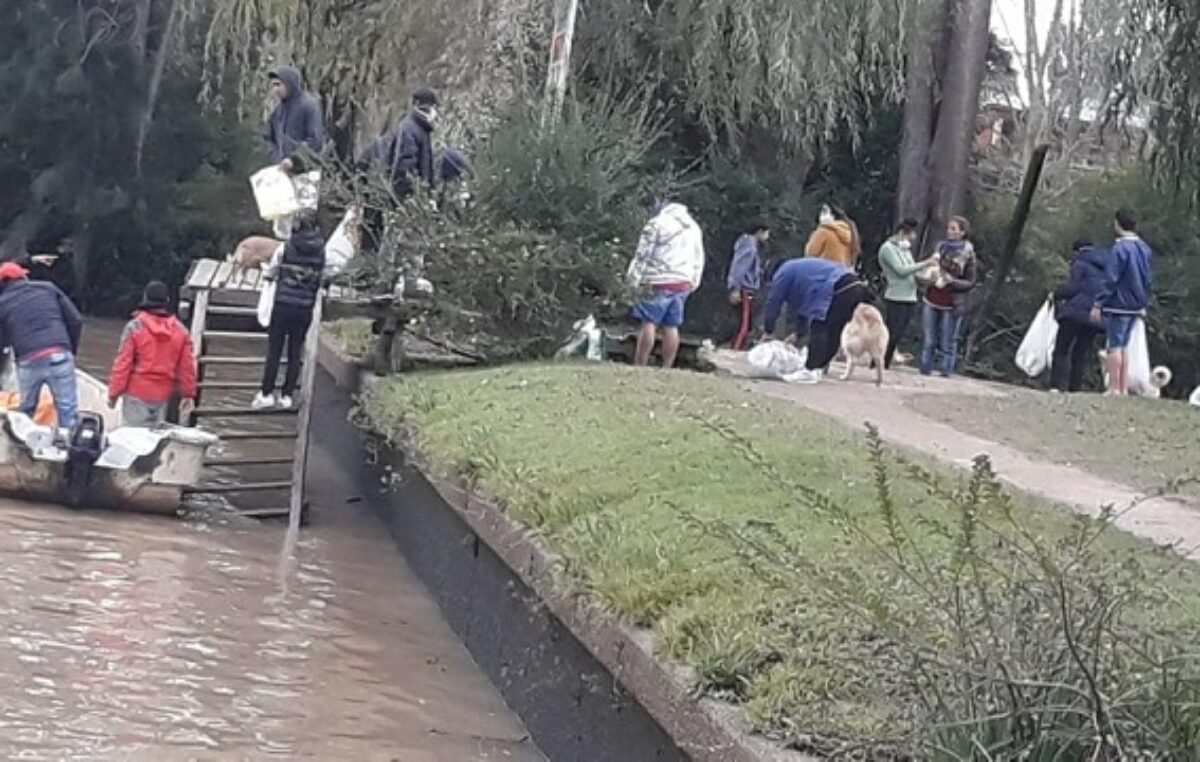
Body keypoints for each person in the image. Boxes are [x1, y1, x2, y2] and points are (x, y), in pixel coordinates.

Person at [253, 212, 326, 410]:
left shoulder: (285, 247)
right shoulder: (322, 251)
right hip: (305, 308)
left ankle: (267, 394)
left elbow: (272, 272)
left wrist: (268, 272)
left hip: (283, 304)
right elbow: (323, 276)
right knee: (295, 351)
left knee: (274, 350)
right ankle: (287, 396)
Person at [0, 261, 83, 429]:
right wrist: (70, 350)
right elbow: (76, 320)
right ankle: (69, 446)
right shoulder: (48, 288)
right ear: (23, 276)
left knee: (25, 411)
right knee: (68, 410)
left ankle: (22, 445)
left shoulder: (2, 303)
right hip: (60, 354)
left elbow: (2, 343)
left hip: (29, 360)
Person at [762, 257, 867, 384]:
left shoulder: (783, 272)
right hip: (855, 285)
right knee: (835, 329)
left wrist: (768, 330)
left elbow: (774, 301)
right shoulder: (799, 268)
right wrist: (798, 333)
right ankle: (819, 368)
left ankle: (810, 369)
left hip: (837, 287)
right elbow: (801, 309)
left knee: (820, 326)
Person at [106, 282, 198, 427]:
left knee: (133, 438)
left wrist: (113, 393)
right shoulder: (181, 331)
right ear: (166, 301)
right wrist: (188, 394)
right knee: (154, 438)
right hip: (162, 395)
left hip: (136, 393)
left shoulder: (135, 327)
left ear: (145, 298)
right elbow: (187, 368)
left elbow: (123, 364)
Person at [627, 201, 706, 368]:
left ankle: (640, 364)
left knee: (649, 322)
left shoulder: (656, 224)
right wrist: (694, 281)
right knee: (671, 325)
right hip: (683, 282)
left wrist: (633, 278)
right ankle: (667, 366)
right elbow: (699, 257)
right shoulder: (693, 227)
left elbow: (643, 254)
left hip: (657, 280)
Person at [1090, 208, 1153, 396]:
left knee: (1114, 345)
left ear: (1117, 224)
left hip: (1119, 302)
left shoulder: (1120, 248)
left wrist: (1098, 302)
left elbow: (1111, 277)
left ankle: (1114, 387)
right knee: (1124, 346)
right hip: (1137, 302)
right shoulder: (1144, 248)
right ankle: (1123, 387)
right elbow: (1149, 278)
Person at [920, 216, 978, 377]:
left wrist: (952, 282)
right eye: (949, 228)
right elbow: (931, 265)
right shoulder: (940, 247)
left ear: (962, 232)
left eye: (954, 229)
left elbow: (971, 281)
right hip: (932, 297)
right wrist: (928, 275)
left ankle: (946, 370)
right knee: (929, 339)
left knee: (948, 341)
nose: (949, 232)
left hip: (952, 303)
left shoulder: (968, 253)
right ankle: (925, 368)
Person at [1049, 239, 1107, 393]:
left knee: (1061, 348)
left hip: (1074, 313)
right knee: (1080, 353)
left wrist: (1056, 294)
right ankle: (1075, 388)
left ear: (1077, 250)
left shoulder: (1080, 264)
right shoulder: (1105, 268)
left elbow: (1073, 288)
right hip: (1095, 316)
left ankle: (1055, 386)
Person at [877, 218, 933, 368]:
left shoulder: (905, 250)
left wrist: (928, 277)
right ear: (902, 233)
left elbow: (912, 271)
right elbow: (901, 271)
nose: (912, 240)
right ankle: (880, 361)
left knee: (899, 333)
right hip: (896, 296)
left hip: (910, 296)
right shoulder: (887, 249)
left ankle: (886, 361)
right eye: (910, 235)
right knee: (891, 332)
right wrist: (925, 263)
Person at [264, 66, 325, 166]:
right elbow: (268, 138)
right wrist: (276, 159)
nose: (275, 90)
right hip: (282, 171)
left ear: (289, 83)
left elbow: (315, 141)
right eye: (273, 86)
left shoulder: (309, 105)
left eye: (278, 85)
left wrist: (294, 160)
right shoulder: (278, 111)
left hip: (307, 171)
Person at [725, 222, 770, 350]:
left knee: (745, 322)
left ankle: (734, 346)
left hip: (746, 288)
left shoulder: (751, 245)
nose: (767, 236)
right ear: (760, 231)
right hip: (744, 289)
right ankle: (734, 350)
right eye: (767, 233)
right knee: (743, 325)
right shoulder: (748, 245)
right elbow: (739, 267)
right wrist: (735, 288)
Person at [804, 202, 861, 267]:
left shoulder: (823, 231)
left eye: (824, 212)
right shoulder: (850, 231)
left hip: (825, 272)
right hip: (843, 272)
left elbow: (810, 254)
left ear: (833, 215)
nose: (820, 216)